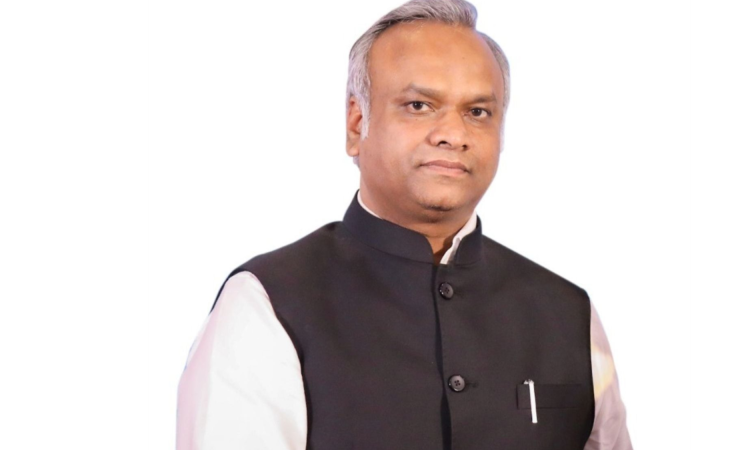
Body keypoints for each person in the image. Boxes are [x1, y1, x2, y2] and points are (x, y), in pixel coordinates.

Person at [176, 0, 632, 449]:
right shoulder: (267, 305)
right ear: (357, 124)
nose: (452, 134)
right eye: (418, 105)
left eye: (477, 112)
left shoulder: (569, 314)